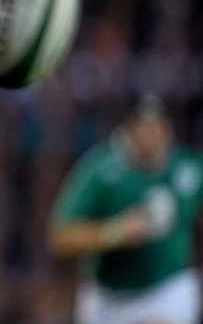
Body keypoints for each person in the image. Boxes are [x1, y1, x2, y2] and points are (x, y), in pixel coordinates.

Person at [48, 94, 203, 324]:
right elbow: (60, 236)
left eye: (156, 125)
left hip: (167, 288)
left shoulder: (190, 167)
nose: (150, 134)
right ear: (128, 129)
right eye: (142, 125)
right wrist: (116, 231)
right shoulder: (100, 170)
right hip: (107, 298)